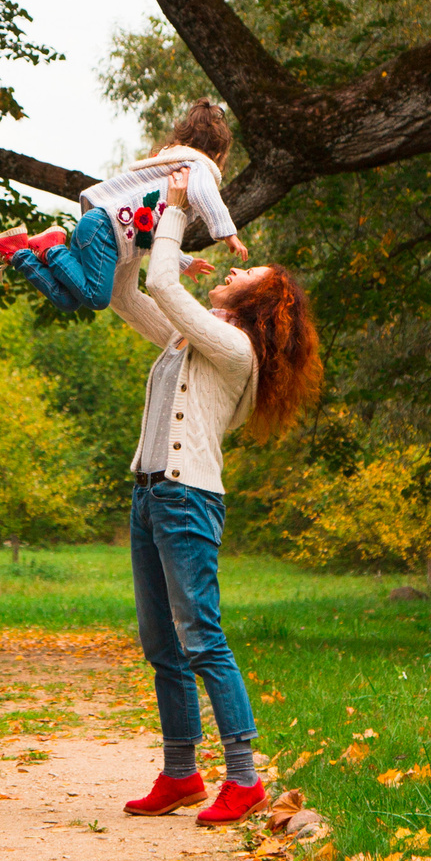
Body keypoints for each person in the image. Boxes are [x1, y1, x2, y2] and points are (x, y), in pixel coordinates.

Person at [110, 161, 323, 825]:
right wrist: (130, 237)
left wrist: (174, 209)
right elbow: (130, 295)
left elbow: (164, 281)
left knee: (200, 634)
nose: (231, 272)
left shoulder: (234, 349)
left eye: (243, 278)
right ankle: (181, 771)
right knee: (160, 642)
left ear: (254, 306)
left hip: (187, 498)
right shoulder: (190, 337)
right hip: (151, 494)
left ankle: (244, 775)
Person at [0, 99, 251, 314]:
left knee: (70, 300)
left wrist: (184, 264)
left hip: (96, 227)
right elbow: (206, 194)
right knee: (97, 298)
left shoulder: (168, 171)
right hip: (105, 232)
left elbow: (155, 238)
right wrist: (228, 234)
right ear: (216, 154)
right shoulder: (198, 166)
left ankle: (20, 254)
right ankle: (52, 249)